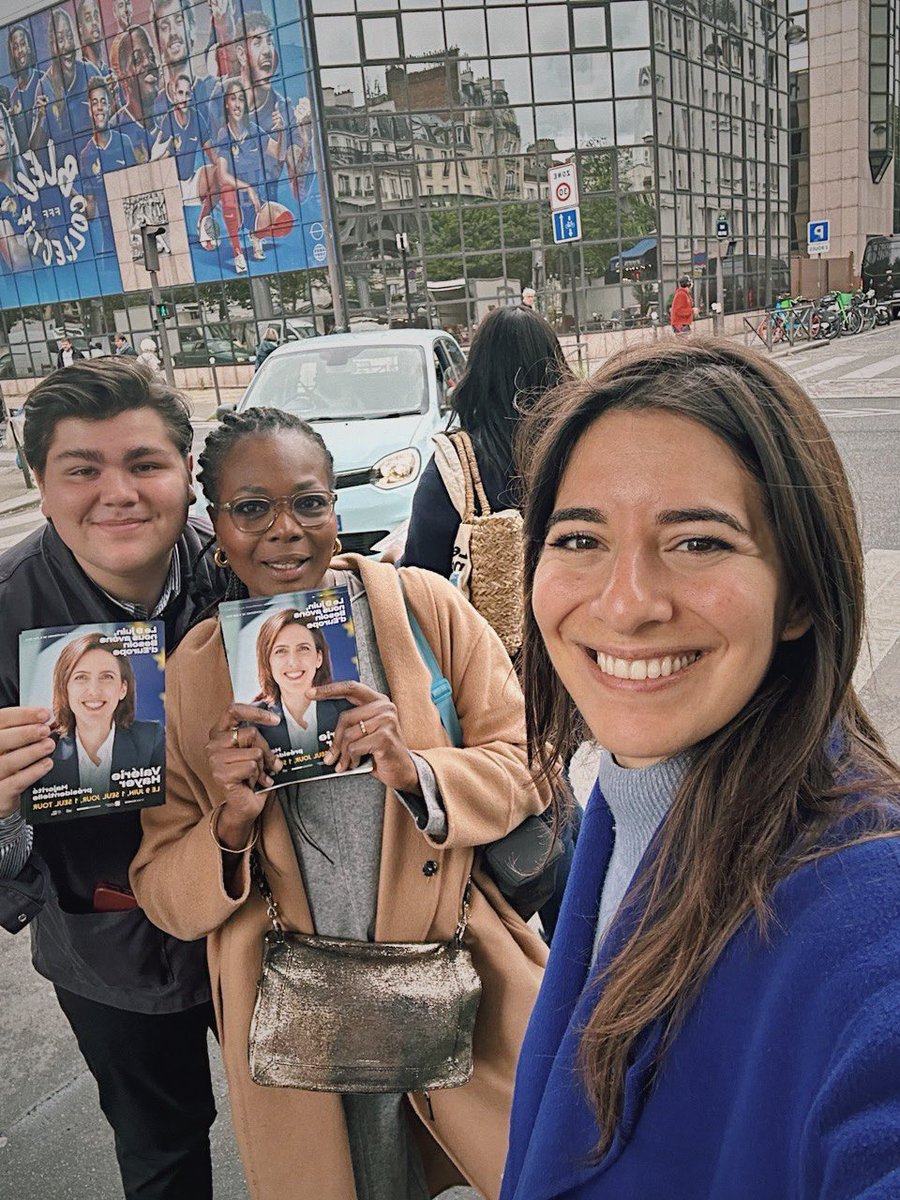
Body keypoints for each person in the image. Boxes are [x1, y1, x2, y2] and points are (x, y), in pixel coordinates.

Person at [500, 338, 900, 1200]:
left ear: (799, 593)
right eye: (580, 538)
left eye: (697, 543)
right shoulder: (624, 803)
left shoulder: (867, 900)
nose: (627, 602)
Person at [130, 405, 554, 1200]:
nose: (286, 529)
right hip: (302, 1014)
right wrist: (228, 818)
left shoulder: (423, 609)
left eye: (310, 501)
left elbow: (530, 760)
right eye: (252, 508)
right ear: (215, 526)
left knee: (531, 1166)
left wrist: (418, 771)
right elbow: (162, 889)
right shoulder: (190, 675)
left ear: (336, 508)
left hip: (452, 971)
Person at [0, 359, 226, 1199]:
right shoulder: (5, 613)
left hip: (256, 922)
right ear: (41, 483)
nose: (118, 493)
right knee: (162, 1151)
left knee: (307, 1122)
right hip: (110, 950)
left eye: (144, 463)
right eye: (82, 469)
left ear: (184, 474)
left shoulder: (244, 577)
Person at [402, 304, 572, 578]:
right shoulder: (580, 445)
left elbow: (422, 571)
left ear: (478, 373)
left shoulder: (457, 465)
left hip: (482, 620)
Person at [41, 632, 163, 797]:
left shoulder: (152, 738)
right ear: (65, 688)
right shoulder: (43, 750)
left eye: (106, 677)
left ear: (123, 689)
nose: (94, 691)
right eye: (81, 677)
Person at [253, 609, 352, 765]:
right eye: (281, 651)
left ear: (319, 658)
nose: (293, 662)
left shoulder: (349, 708)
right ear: (268, 662)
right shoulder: (251, 722)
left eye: (303, 648)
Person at [210, 78, 283, 273]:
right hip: (237, 197)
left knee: (285, 219)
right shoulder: (224, 134)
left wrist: (282, 131)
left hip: (256, 199)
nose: (237, 104)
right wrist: (247, 187)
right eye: (233, 99)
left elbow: (278, 153)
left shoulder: (253, 131)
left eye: (241, 99)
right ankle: (237, 252)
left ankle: (256, 234)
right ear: (226, 103)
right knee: (226, 192)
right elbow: (223, 176)